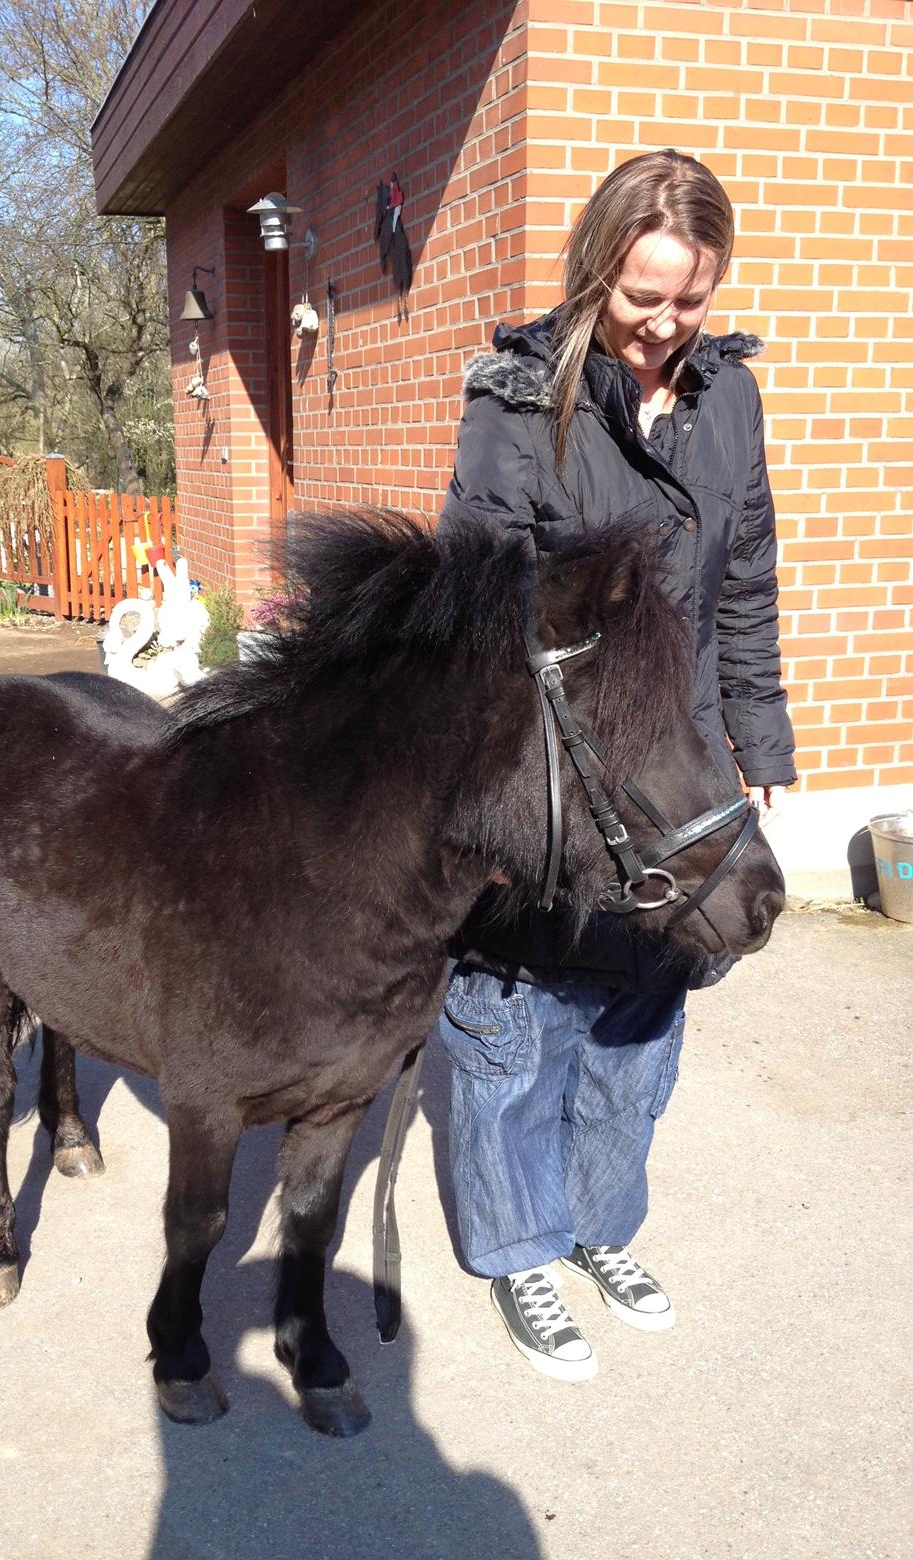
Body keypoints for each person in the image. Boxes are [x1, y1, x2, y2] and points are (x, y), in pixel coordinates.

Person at [436, 149, 796, 1381]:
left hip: (677, 761)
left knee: (640, 1020)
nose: (664, 324)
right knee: (520, 1020)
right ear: (597, 268)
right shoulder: (520, 399)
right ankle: (522, 1247)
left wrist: (761, 742)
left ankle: (600, 1226)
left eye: (689, 299)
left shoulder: (728, 399)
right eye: (643, 296)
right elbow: (476, 605)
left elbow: (744, 580)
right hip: (555, 761)